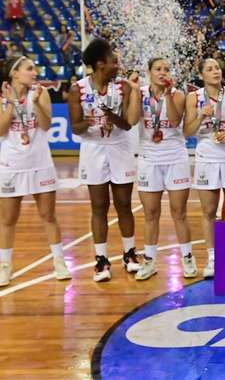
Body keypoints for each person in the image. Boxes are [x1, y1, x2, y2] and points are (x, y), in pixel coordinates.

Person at [69, 38, 141, 282]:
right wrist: (91, 121)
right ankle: (101, 259)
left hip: (119, 146)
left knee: (123, 203)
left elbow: (128, 124)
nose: (117, 64)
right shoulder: (77, 89)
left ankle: (130, 253)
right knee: (98, 206)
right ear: (100, 64)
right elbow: (76, 128)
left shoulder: (123, 87)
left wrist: (111, 115)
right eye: (113, 60)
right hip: (93, 147)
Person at [0, 57, 70, 286]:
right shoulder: (2, 98)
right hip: (11, 164)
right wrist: (11, 103)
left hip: (40, 162)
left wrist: (38, 103)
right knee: (8, 219)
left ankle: (59, 261)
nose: (35, 72)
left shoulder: (40, 93)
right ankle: (5, 266)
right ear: (15, 73)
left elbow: (46, 125)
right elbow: (1, 131)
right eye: (29, 68)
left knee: (48, 216)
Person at [134, 58, 196, 281]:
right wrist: (132, 92)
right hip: (149, 158)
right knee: (150, 213)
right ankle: (149, 261)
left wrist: (168, 95)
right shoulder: (140, 94)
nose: (163, 73)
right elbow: (131, 120)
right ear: (149, 72)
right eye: (158, 69)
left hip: (174, 157)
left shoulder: (178, 95)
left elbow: (174, 119)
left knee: (179, 212)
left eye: (166, 69)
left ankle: (187, 258)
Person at [183, 58, 225, 279]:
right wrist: (200, 115)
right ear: (202, 74)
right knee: (208, 211)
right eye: (209, 69)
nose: (215, 71)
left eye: (217, 67)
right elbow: (188, 132)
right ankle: (213, 257)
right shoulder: (193, 98)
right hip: (206, 157)